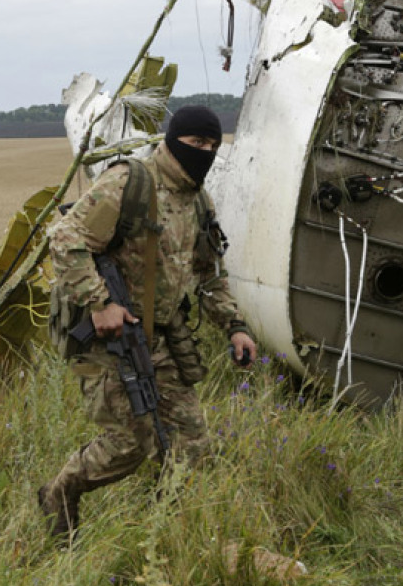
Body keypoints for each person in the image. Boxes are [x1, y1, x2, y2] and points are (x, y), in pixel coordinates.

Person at [40, 105, 258, 538]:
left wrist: (234, 326)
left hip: (163, 339)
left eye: (213, 146)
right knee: (129, 443)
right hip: (112, 341)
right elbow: (64, 239)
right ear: (175, 141)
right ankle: (60, 491)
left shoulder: (198, 199)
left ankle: (164, 536)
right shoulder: (130, 183)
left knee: (192, 444)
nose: (205, 152)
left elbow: (209, 272)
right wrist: (100, 302)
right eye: (197, 144)